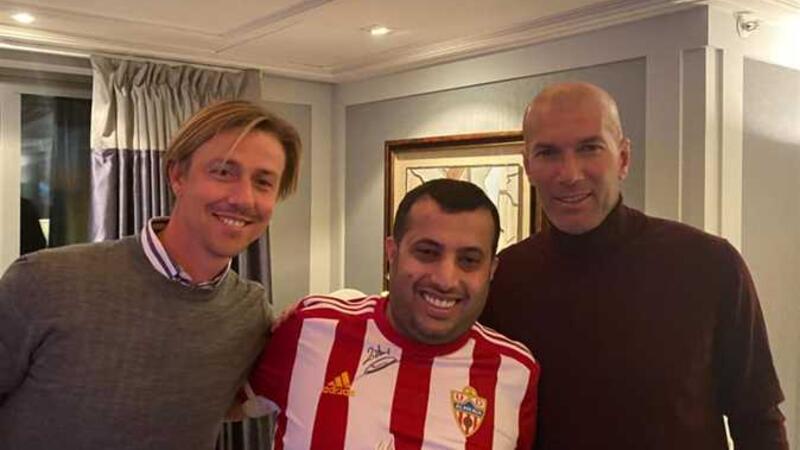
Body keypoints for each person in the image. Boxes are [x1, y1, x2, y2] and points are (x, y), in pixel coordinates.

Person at [479, 82, 787, 450]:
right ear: (528, 165)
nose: (569, 174)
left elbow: (758, 420)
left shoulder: (709, 265)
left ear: (623, 158)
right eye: (548, 153)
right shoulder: (504, 279)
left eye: (589, 148)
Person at [0, 100, 302, 449]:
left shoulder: (251, 313)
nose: (243, 198)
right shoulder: (44, 281)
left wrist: (310, 323)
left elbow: (231, 404)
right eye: (223, 172)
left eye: (263, 182)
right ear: (177, 176)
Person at [249, 179, 539, 449]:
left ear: (491, 270)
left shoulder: (516, 372)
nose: (445, 279)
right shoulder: (309, 329)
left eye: (469, 260)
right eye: (427, 252)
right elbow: (231, 406)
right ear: (392, 252)